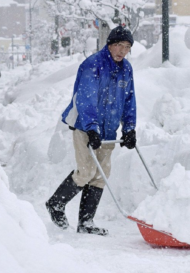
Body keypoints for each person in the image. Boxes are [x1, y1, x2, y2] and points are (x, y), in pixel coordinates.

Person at [45, 26, 137, 236]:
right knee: (86, 171)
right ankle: (55, 204)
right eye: (119, 45)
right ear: (110, 44)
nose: (123, 51)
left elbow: (129, 100)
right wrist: (92, 128)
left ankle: (86, 222)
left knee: (101, 174)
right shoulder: (93, 64)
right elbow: (86, 98)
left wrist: (130, 128)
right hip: (85, 125)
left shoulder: (126, 69)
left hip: (109, 129)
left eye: (127, 47)